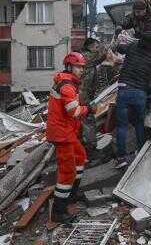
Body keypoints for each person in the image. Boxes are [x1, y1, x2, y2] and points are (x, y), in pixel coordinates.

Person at [113, 33, 151, 168]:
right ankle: (141, 152)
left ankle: (121, 158)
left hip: (124, 90)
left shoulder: (133, 46)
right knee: (139, 124)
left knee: (122, 126)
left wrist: (118, 44)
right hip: (140, 93)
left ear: (141, 39)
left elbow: (120, 49)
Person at [47, 52, 90, 224]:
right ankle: (58, 211)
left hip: (66, 132)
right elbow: (74, 111)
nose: (81, 70)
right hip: (62, 134)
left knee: (80, 157)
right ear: (69, 67)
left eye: (82, 67)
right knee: (67, 172)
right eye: (78, 67)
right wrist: (89, 109)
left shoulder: (68, 83)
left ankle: (72, 194)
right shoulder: (67, 86)